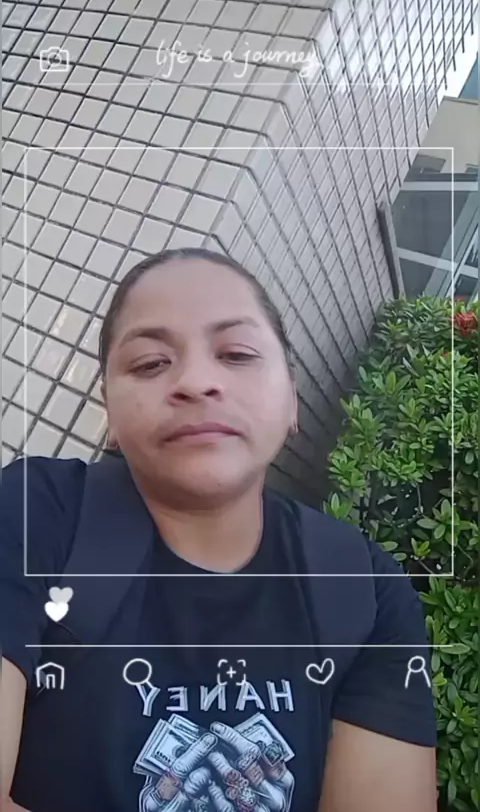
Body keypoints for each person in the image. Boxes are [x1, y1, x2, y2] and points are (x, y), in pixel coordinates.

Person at [0, 248, 437, 812]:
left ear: (292, 400)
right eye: (150, 363)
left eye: (236, 354)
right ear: (109, 412)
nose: (197, 381)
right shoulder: (33, 511)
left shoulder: (364, 586)